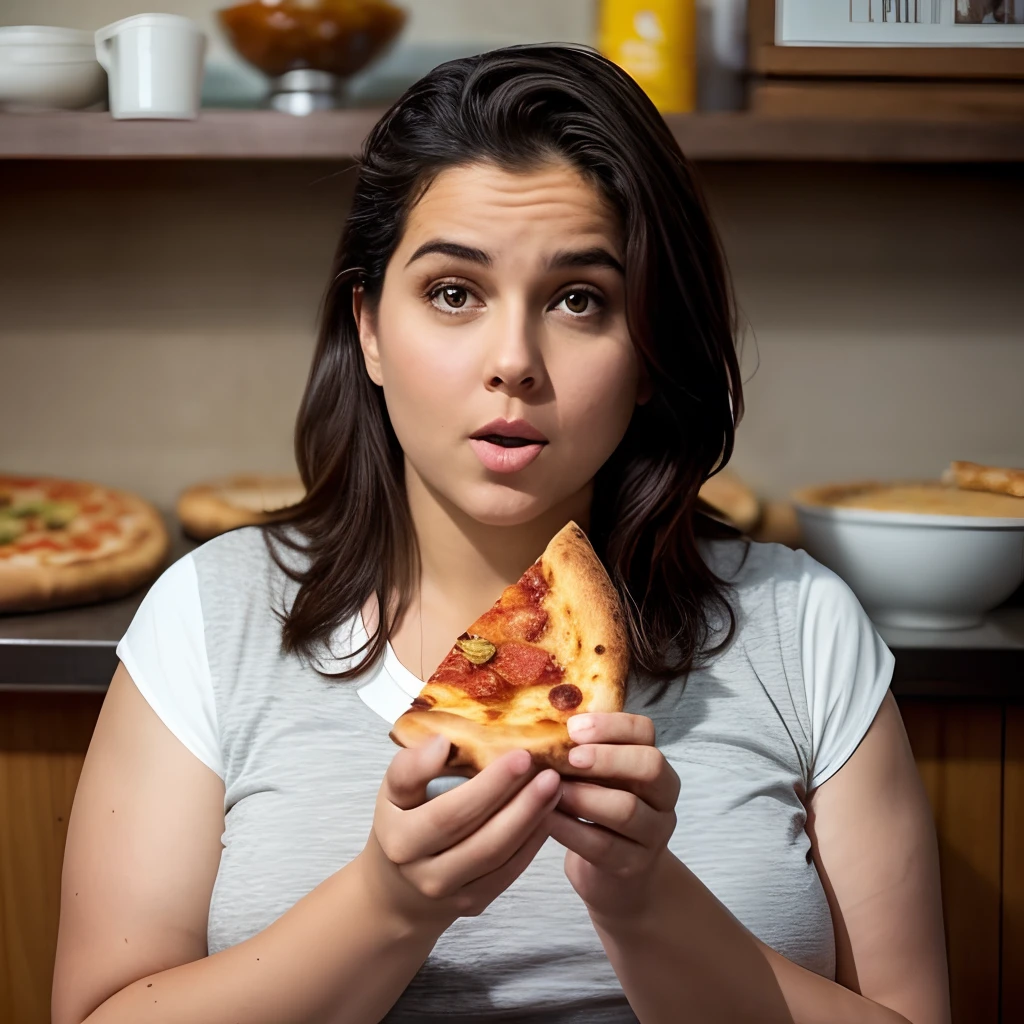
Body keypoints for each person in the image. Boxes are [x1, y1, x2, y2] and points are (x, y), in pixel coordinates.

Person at [52, 45, 951, 1024]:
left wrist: (650, 909)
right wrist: (387, 907)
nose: (513, 362)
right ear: (369, 329)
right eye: (452, 293)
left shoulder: (802, 627)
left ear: (649, 352)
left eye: (579, 299)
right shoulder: (207, 616)